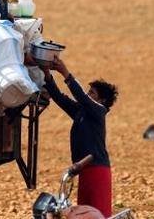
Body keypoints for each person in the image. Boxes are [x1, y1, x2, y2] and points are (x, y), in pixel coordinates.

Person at [41, 57, 118, 217]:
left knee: (99, 215)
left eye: (92, 93)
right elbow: (60, 98)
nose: (88, 94)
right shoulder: (81, 111)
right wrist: (47, 74)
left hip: (97, 171)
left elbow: (81, 97)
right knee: (83, 214)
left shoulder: (99, 111)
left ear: (101, 100)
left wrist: (65, 73)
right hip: (83, 171)